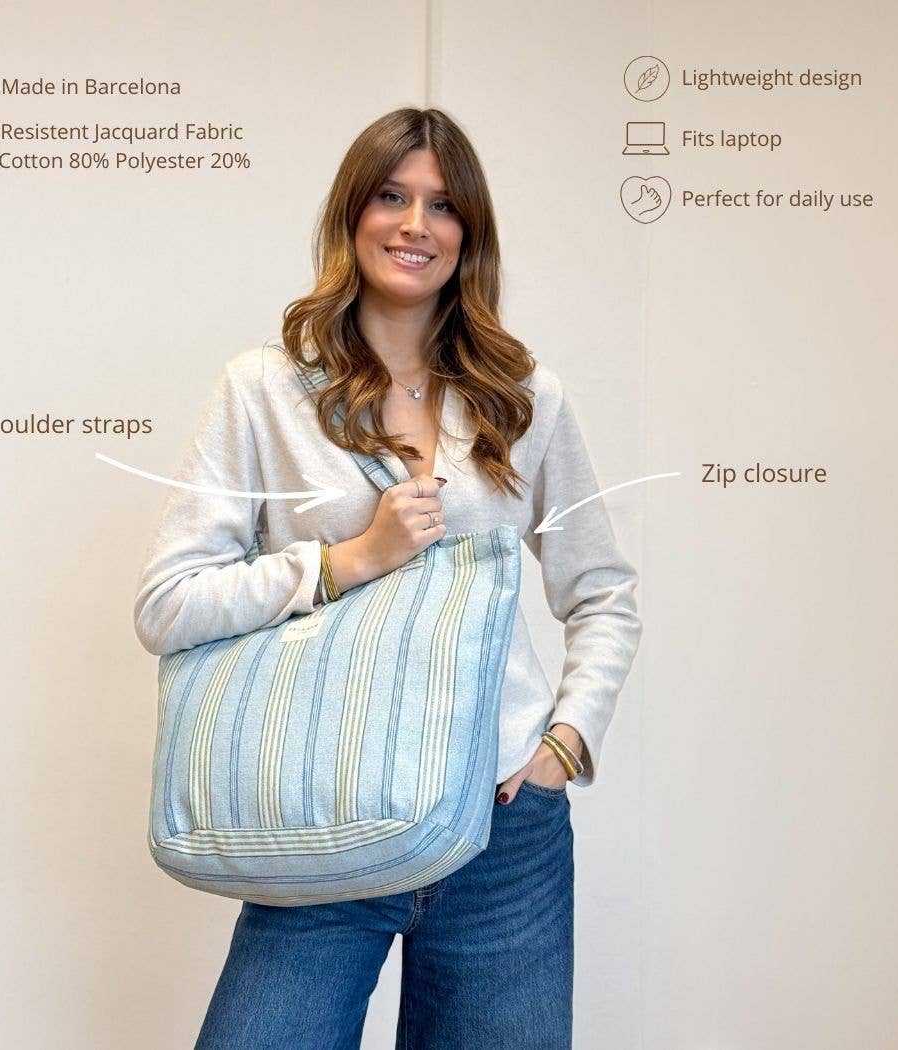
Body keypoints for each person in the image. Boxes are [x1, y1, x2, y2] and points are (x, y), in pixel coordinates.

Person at [133, 107, 642, 1049]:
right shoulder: (267, 388)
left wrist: (563, 745)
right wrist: (349, 560)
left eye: (444, 206)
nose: (416, 224)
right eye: (392, 197)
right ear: (351, 215)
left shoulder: (523, 397)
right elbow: (168, 604)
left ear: (470, 234)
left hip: (504, 827)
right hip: (324, 808)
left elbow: (602, 589)